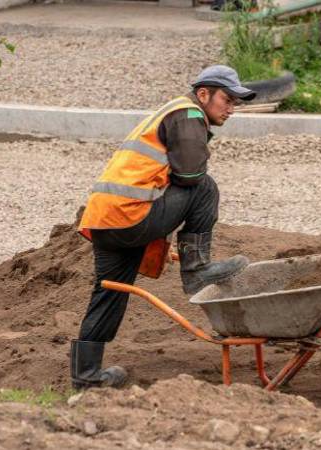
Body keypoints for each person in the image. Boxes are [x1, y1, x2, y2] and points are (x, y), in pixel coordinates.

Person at [70, 65, 256, 389]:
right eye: (227, 99)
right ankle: (196, 270)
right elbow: (190, 177)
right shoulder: (189, 114)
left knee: (108, 291)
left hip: (105, 219)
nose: (231, 109)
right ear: (203, 94)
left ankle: (86, 377)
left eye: (235, 103)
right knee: (205, 187)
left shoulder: (172, 111)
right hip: (130, 216)